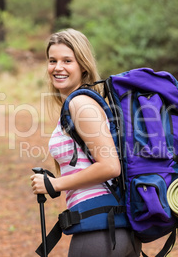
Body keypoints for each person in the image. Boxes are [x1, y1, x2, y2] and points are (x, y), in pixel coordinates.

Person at [30, 29, 141, 257]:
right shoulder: (78, 102)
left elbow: (110, 166)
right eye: (53, 60)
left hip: (100, 233)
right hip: (111, 231)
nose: (57, 67)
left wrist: (56, 184)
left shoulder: (81, 104)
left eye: (67, 60)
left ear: (83, 65)